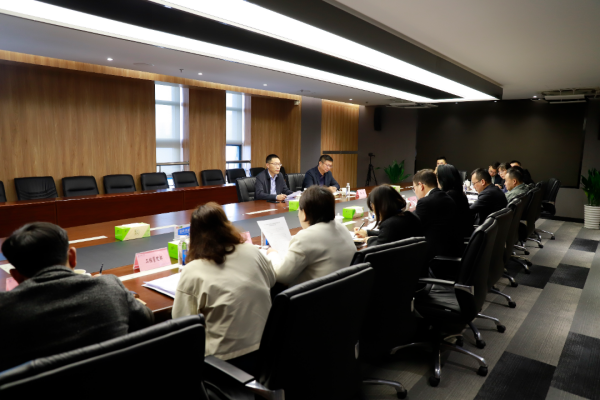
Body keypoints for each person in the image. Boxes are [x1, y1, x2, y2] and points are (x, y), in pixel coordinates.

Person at [0, 222, 154, 372]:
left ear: (15, 276)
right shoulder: (109, 287)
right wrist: (124, 295)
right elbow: (147, 320)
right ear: (72, 257)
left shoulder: (5, 308)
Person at [172, 202, 276, 372]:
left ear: (194, 235)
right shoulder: (252, 251)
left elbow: (182, 323)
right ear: (227, 225)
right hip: (268, 351)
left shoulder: (192, 271)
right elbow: (271, 280)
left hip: (224, 364)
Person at [267, 186, 356, 286]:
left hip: (318, 294)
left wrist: (272, 254)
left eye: (299, 210)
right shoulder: (342, 227)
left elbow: (281, 276)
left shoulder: (305, 238)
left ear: (304, 213)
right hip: (345, 291)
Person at [411, 169, 463, 258]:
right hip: (452, 249)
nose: (415, 191)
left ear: (421, 186)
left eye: (414, 188)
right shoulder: (446, 196)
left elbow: (412, 226)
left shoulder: (425, 202)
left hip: (436, 256)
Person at [353, 184, 423, 246]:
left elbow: (378, 248)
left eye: (372, 206)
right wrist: (368, 233)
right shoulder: (410, 216)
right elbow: (389, 234)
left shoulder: (389, 224)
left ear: (379, 206)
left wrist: (369, 240)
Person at [437, 164, 474, 238]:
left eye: (437, 177)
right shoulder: (458, 193)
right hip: (462, 234)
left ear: (443, 179)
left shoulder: (449, 196)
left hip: (456, 238)